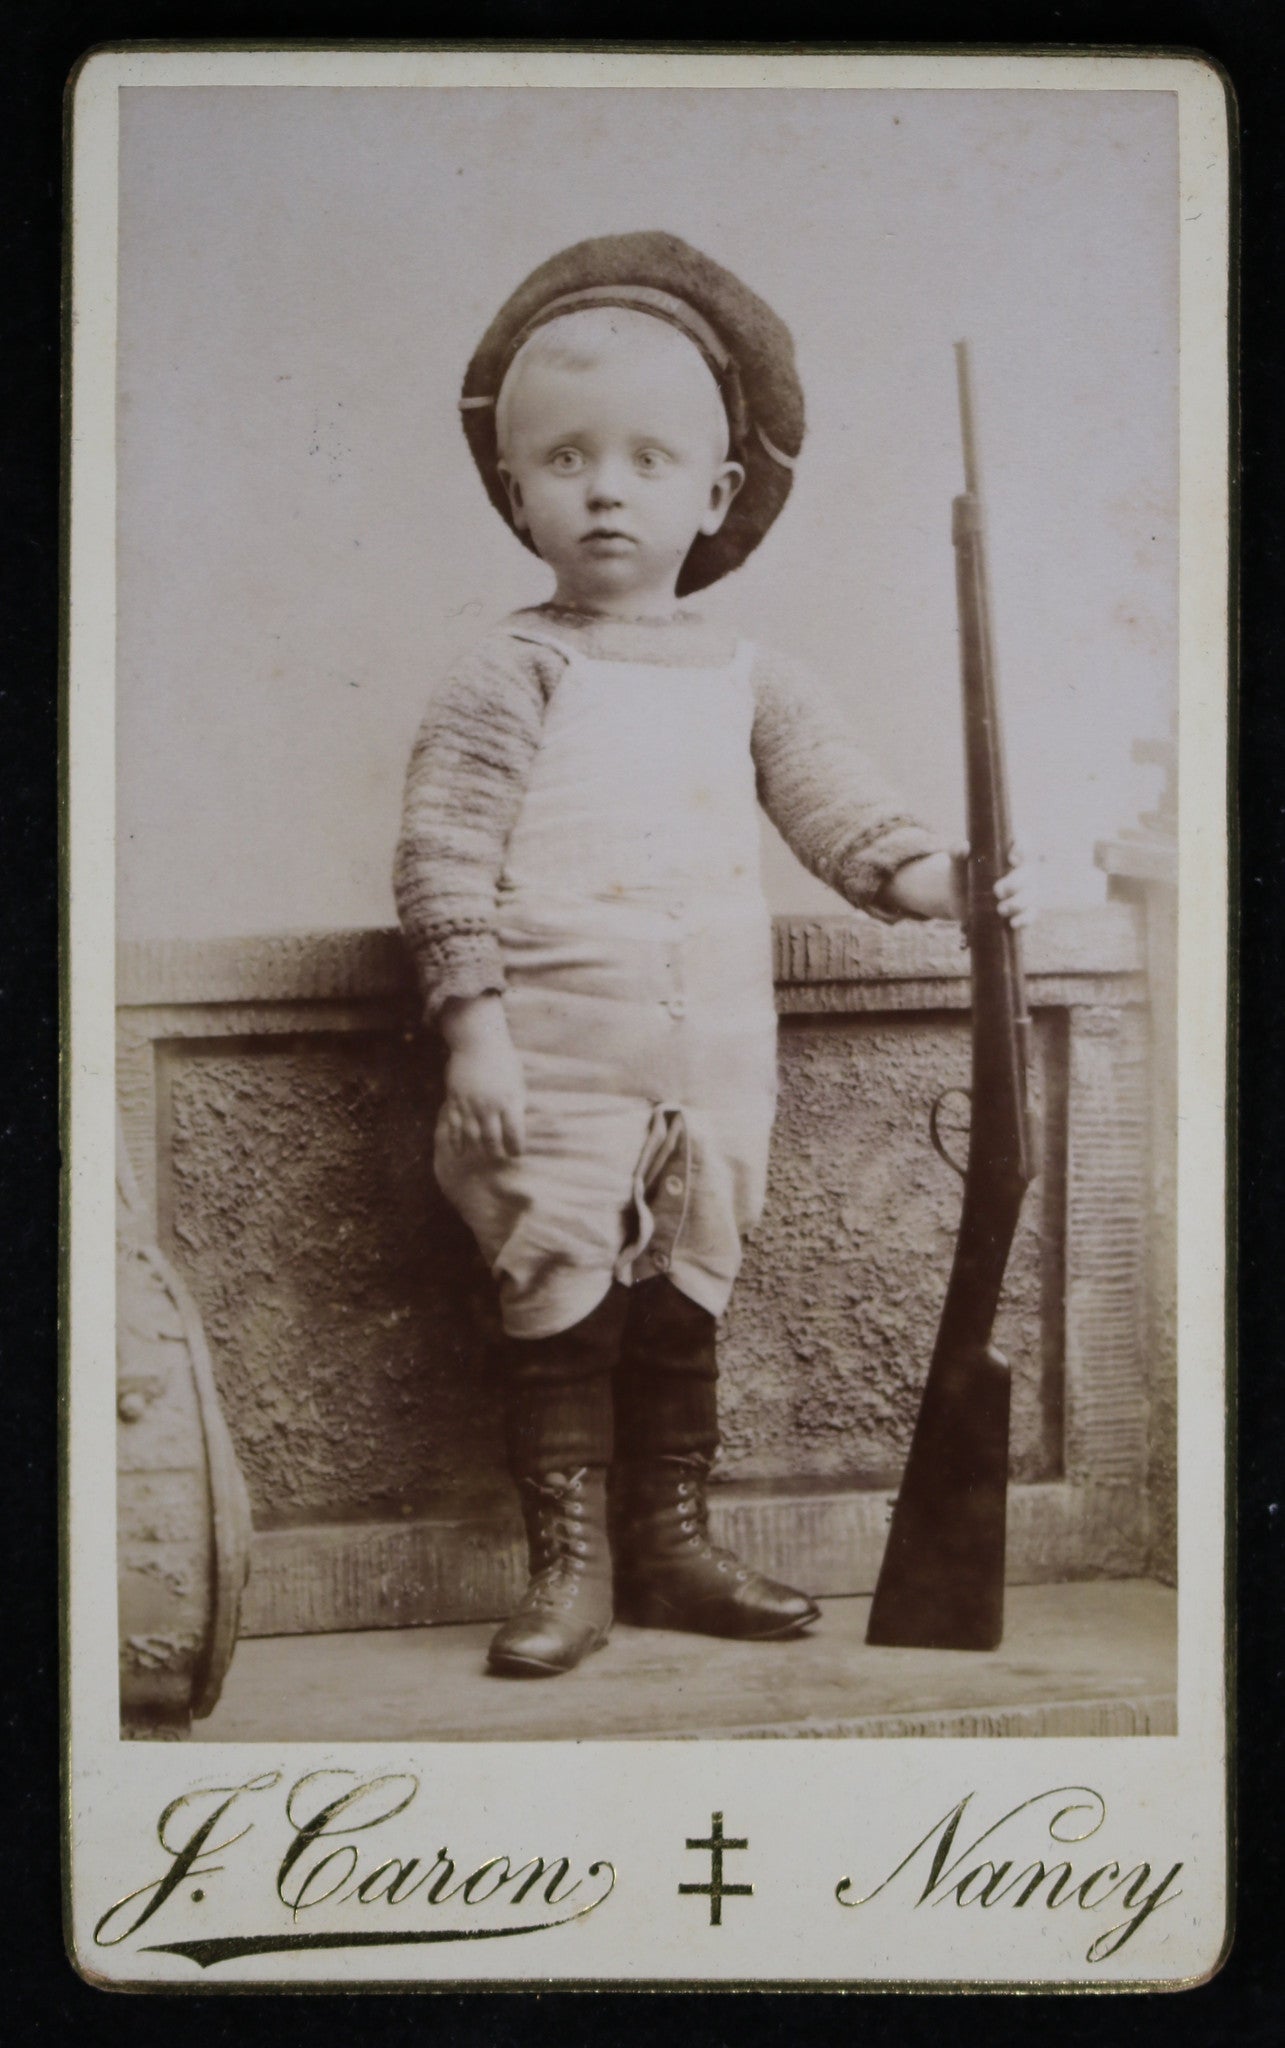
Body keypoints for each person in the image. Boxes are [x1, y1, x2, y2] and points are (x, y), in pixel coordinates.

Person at [394, 232, 1033, 1679]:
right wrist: (475, 1036)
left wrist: (949, 882)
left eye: (646, 459)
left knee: (684, 1296)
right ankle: (570, 1568)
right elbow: (442, 861)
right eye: (564, 460)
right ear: (515, 491)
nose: (605, 489)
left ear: (718, 492)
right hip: (554, 1060)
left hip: (717, 1061)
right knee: (558, 1290)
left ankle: (670, 1545)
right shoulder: (510, 670)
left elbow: (843, 817)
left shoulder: (754, 677)